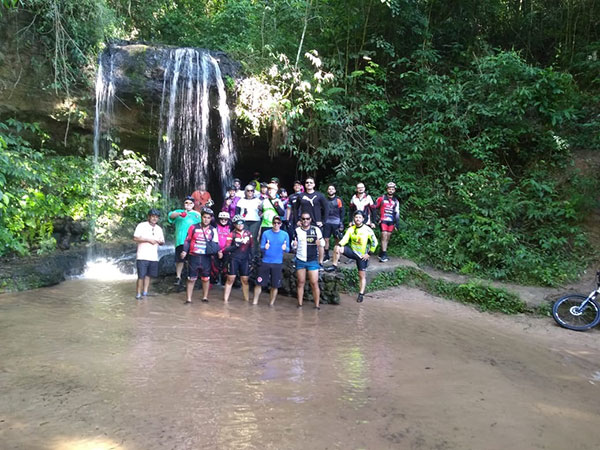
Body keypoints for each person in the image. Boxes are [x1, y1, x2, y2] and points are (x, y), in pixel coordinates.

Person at [326, 210, 378, 303]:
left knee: (361, 275)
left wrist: (369, 254)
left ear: (363, 219)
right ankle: (334, 266)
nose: (357, 219)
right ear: (354, 218)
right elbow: (345, 239)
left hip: (362, 255)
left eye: (359, 217)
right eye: (356, 217)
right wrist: (340, 245)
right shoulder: (351, 229)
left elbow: (375, 242)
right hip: (352, 251)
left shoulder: (367, 229)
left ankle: (361, 294)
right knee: (337, 247)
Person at [180, 208, 219, 303]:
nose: (206, 219)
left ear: (211, 219)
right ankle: (188, 299)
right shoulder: (193, 227)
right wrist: (185, 251)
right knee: (191, 279)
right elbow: (187, 240)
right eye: (204, 217)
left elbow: (216, 244)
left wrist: (217, 252)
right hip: (194, 256)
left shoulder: (213, 230)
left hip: (206, 257)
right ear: (201, 217)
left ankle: (205, 297)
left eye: (208, 218)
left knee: (206, 278)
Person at [253, 216, 289, 306]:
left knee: (275, 285)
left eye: (278, 223)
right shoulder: (266, 233)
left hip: (277, 263)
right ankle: (254, 302)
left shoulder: (285, 234)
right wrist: (265, 247)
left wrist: (285, 248)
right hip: (266, 261)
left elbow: (288, 249)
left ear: (281, 224)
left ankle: (271, 304)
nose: (276, 224)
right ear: (272, 223)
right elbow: (261, 248)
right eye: (274, 223)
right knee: (259, 283)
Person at [292, 213, 325, 309]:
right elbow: (294, 244)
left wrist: (319, 243)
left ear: (310, 219)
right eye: (303, 219)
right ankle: (299, 304)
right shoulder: (297, 230)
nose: (305, 220)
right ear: (301, 220)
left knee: (314, 283)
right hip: (300, 259)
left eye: (307, 219)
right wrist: (294, 244)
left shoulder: (316, 230)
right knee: (300, 282)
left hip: (312, 260)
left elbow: (322, 242)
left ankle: (317, 305)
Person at [168, 196, 202, 286]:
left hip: (193, 241)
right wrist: (180, 214)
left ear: (193, 204)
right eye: (186, 203)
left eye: (190, 203)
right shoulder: (179, 212)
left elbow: (203, 224)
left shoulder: (197, 214)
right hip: (180, 240)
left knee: (191, 259)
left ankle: (190, 276)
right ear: (184, 204)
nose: (188, 205)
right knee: (179, 260)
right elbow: (171, 216)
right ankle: (178, 277)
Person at [133, 209, 165, 299]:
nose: (154, 218)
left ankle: (145, 292)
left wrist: (160, 242)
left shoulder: (159, 229)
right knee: (141, 276)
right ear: (149, 217)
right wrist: (148, 240)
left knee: (148, 275)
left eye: (156, 217)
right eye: (153, 216)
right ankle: (138, 294)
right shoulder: (141, 226)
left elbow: (162, 241)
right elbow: (135, 238)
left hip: (153, 257)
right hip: (142, 255)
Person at [223, 215, 253, 302]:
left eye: (241, 223)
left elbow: (251, 247)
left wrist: (252, 259)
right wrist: (236, 245)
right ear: (235, 225)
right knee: (230, 279)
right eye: (238, 223)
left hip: (245, 259)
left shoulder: (248, 233)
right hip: (234, 259)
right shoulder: (232, 234)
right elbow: (226, 248)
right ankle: (225, 301)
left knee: (245, 280)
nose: (240, 225)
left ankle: (246, 301)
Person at [374, 181, 400, 262]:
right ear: (387, 189)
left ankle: (381, 252)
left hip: (391, 221)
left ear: (394, 190)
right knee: (384, 236)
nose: (391, 190)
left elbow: (397, 213)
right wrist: (377, 219)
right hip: (383, 220)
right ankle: (384, 254)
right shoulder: (381, 198)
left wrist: (397, 224)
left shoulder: (396, 201)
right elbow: (374, 208)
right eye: (389, 189)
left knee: (387, 238)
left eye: (392, 189)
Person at [236, 184, 263, 252]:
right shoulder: (241, 201)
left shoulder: (258, 201)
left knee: (253, 238)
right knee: (244, 237)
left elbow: (262, 211)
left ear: (254, 192)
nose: (250, 192)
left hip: (255, 221)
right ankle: (244, 253)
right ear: (245, 192)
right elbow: (237, 212)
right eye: (248, 191)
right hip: (244, 221)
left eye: (251, 191)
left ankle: (254, 256)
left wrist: (260, 217)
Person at [323, 184, 345, 262]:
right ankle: (326, 255)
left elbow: (342, 211)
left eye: (332, 189)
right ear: (327, 191)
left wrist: (341, 222)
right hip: (327, 222)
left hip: (336, 222)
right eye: (329, 189)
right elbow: (322, 211)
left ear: (335, 190)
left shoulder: (338, 200)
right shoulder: (325, 200)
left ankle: (337, 255)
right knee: (326, 239)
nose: (331, 190)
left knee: (337, 239)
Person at [213, 211, 232, 285]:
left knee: (225, 267)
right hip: (217, 249)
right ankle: (215, 279)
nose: (223, 221)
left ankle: (224, 281)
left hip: (226, 250)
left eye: (225, 219)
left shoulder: (230, 227)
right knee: (215, 266)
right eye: (222, 219)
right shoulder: (215, 226)